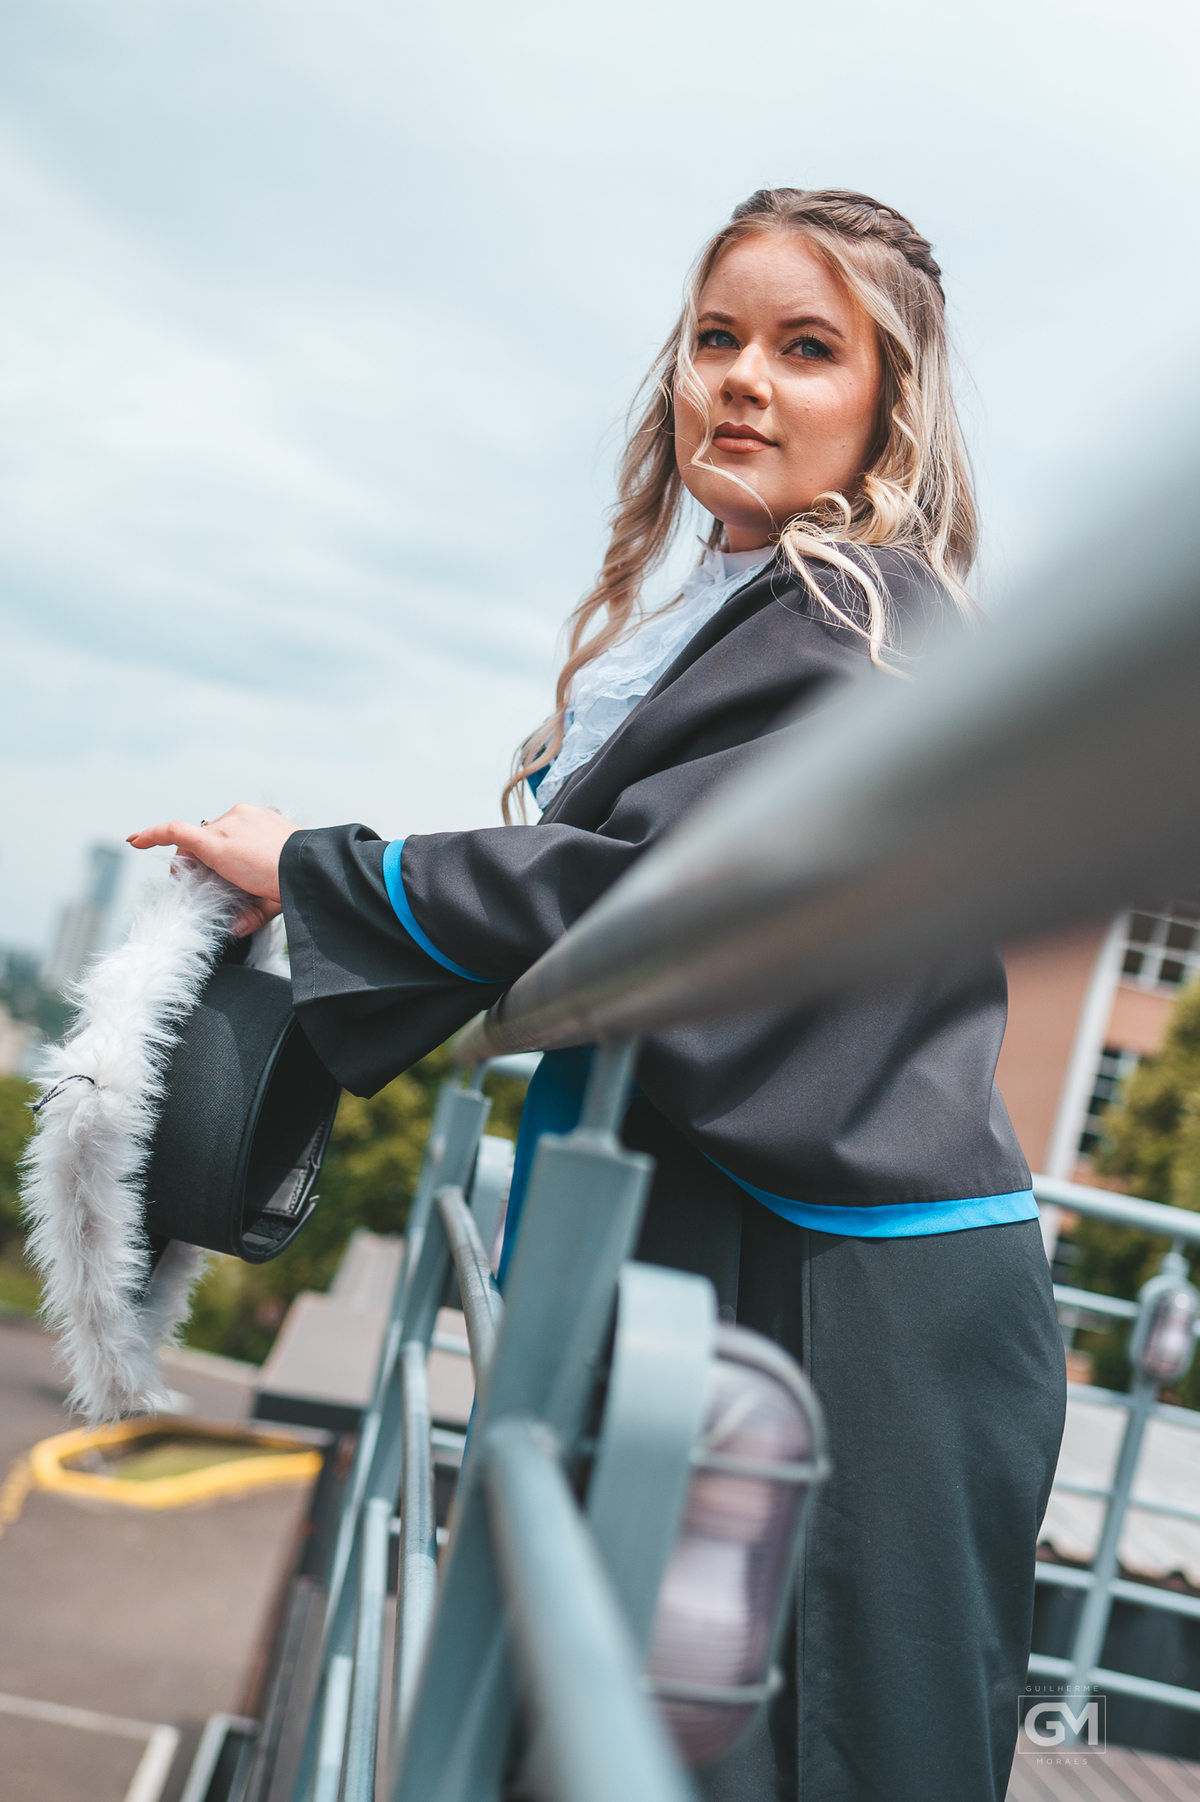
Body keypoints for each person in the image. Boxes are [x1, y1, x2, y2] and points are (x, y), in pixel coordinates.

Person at [130, 188, 1066, 1802]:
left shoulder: (867, 614)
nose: (742, 378)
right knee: (676, 1724)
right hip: (765, 1245)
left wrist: (324, 867)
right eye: (717, 338)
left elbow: (649, 889)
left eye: (807, 348)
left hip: (866, 1303)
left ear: (888, 404)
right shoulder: (742, 608)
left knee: (844, 1750)